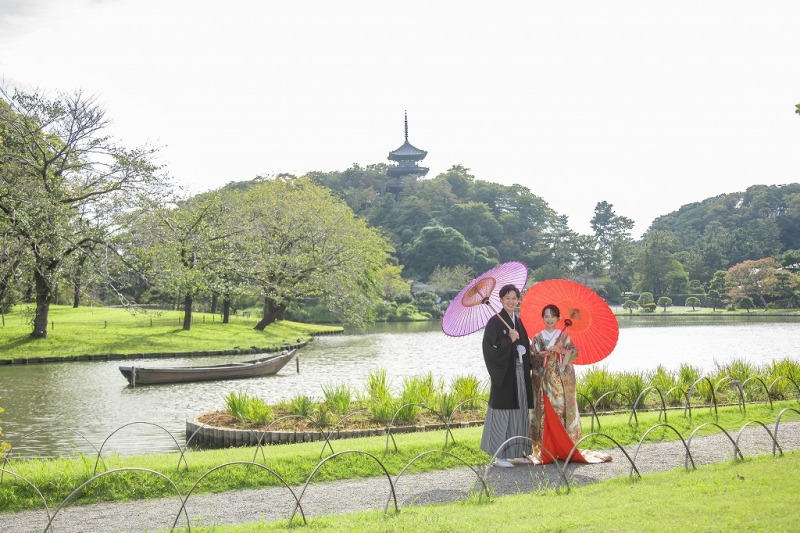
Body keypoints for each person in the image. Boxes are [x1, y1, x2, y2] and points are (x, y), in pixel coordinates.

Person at [529, 303, 611, 463]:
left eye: (553, 315)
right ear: (542, 318)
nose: (549, 319)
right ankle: (546, 447)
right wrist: (542, 354)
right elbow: (532, 357)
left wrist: (561, 351)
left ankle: (562, 447)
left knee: (560, 412)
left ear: (559, 318)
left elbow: (574, 352)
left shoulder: (564, 336)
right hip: (543, 382)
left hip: (560, 383)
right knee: (544, 412)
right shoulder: (538, 337)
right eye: (546, 316)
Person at [480, 284, 534, 467]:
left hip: (519, 373)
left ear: (518, 300)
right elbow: (489, 349)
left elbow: (526, 346)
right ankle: (499, 456)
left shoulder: (517, 321)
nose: (511, 301)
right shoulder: (494, 322)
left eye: (514, 298)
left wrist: (524, 351)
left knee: (520, 412)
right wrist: (507, 342)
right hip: (503, 374)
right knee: (503, 413)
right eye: (507, 298)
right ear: (501, 300)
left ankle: (519, 452)